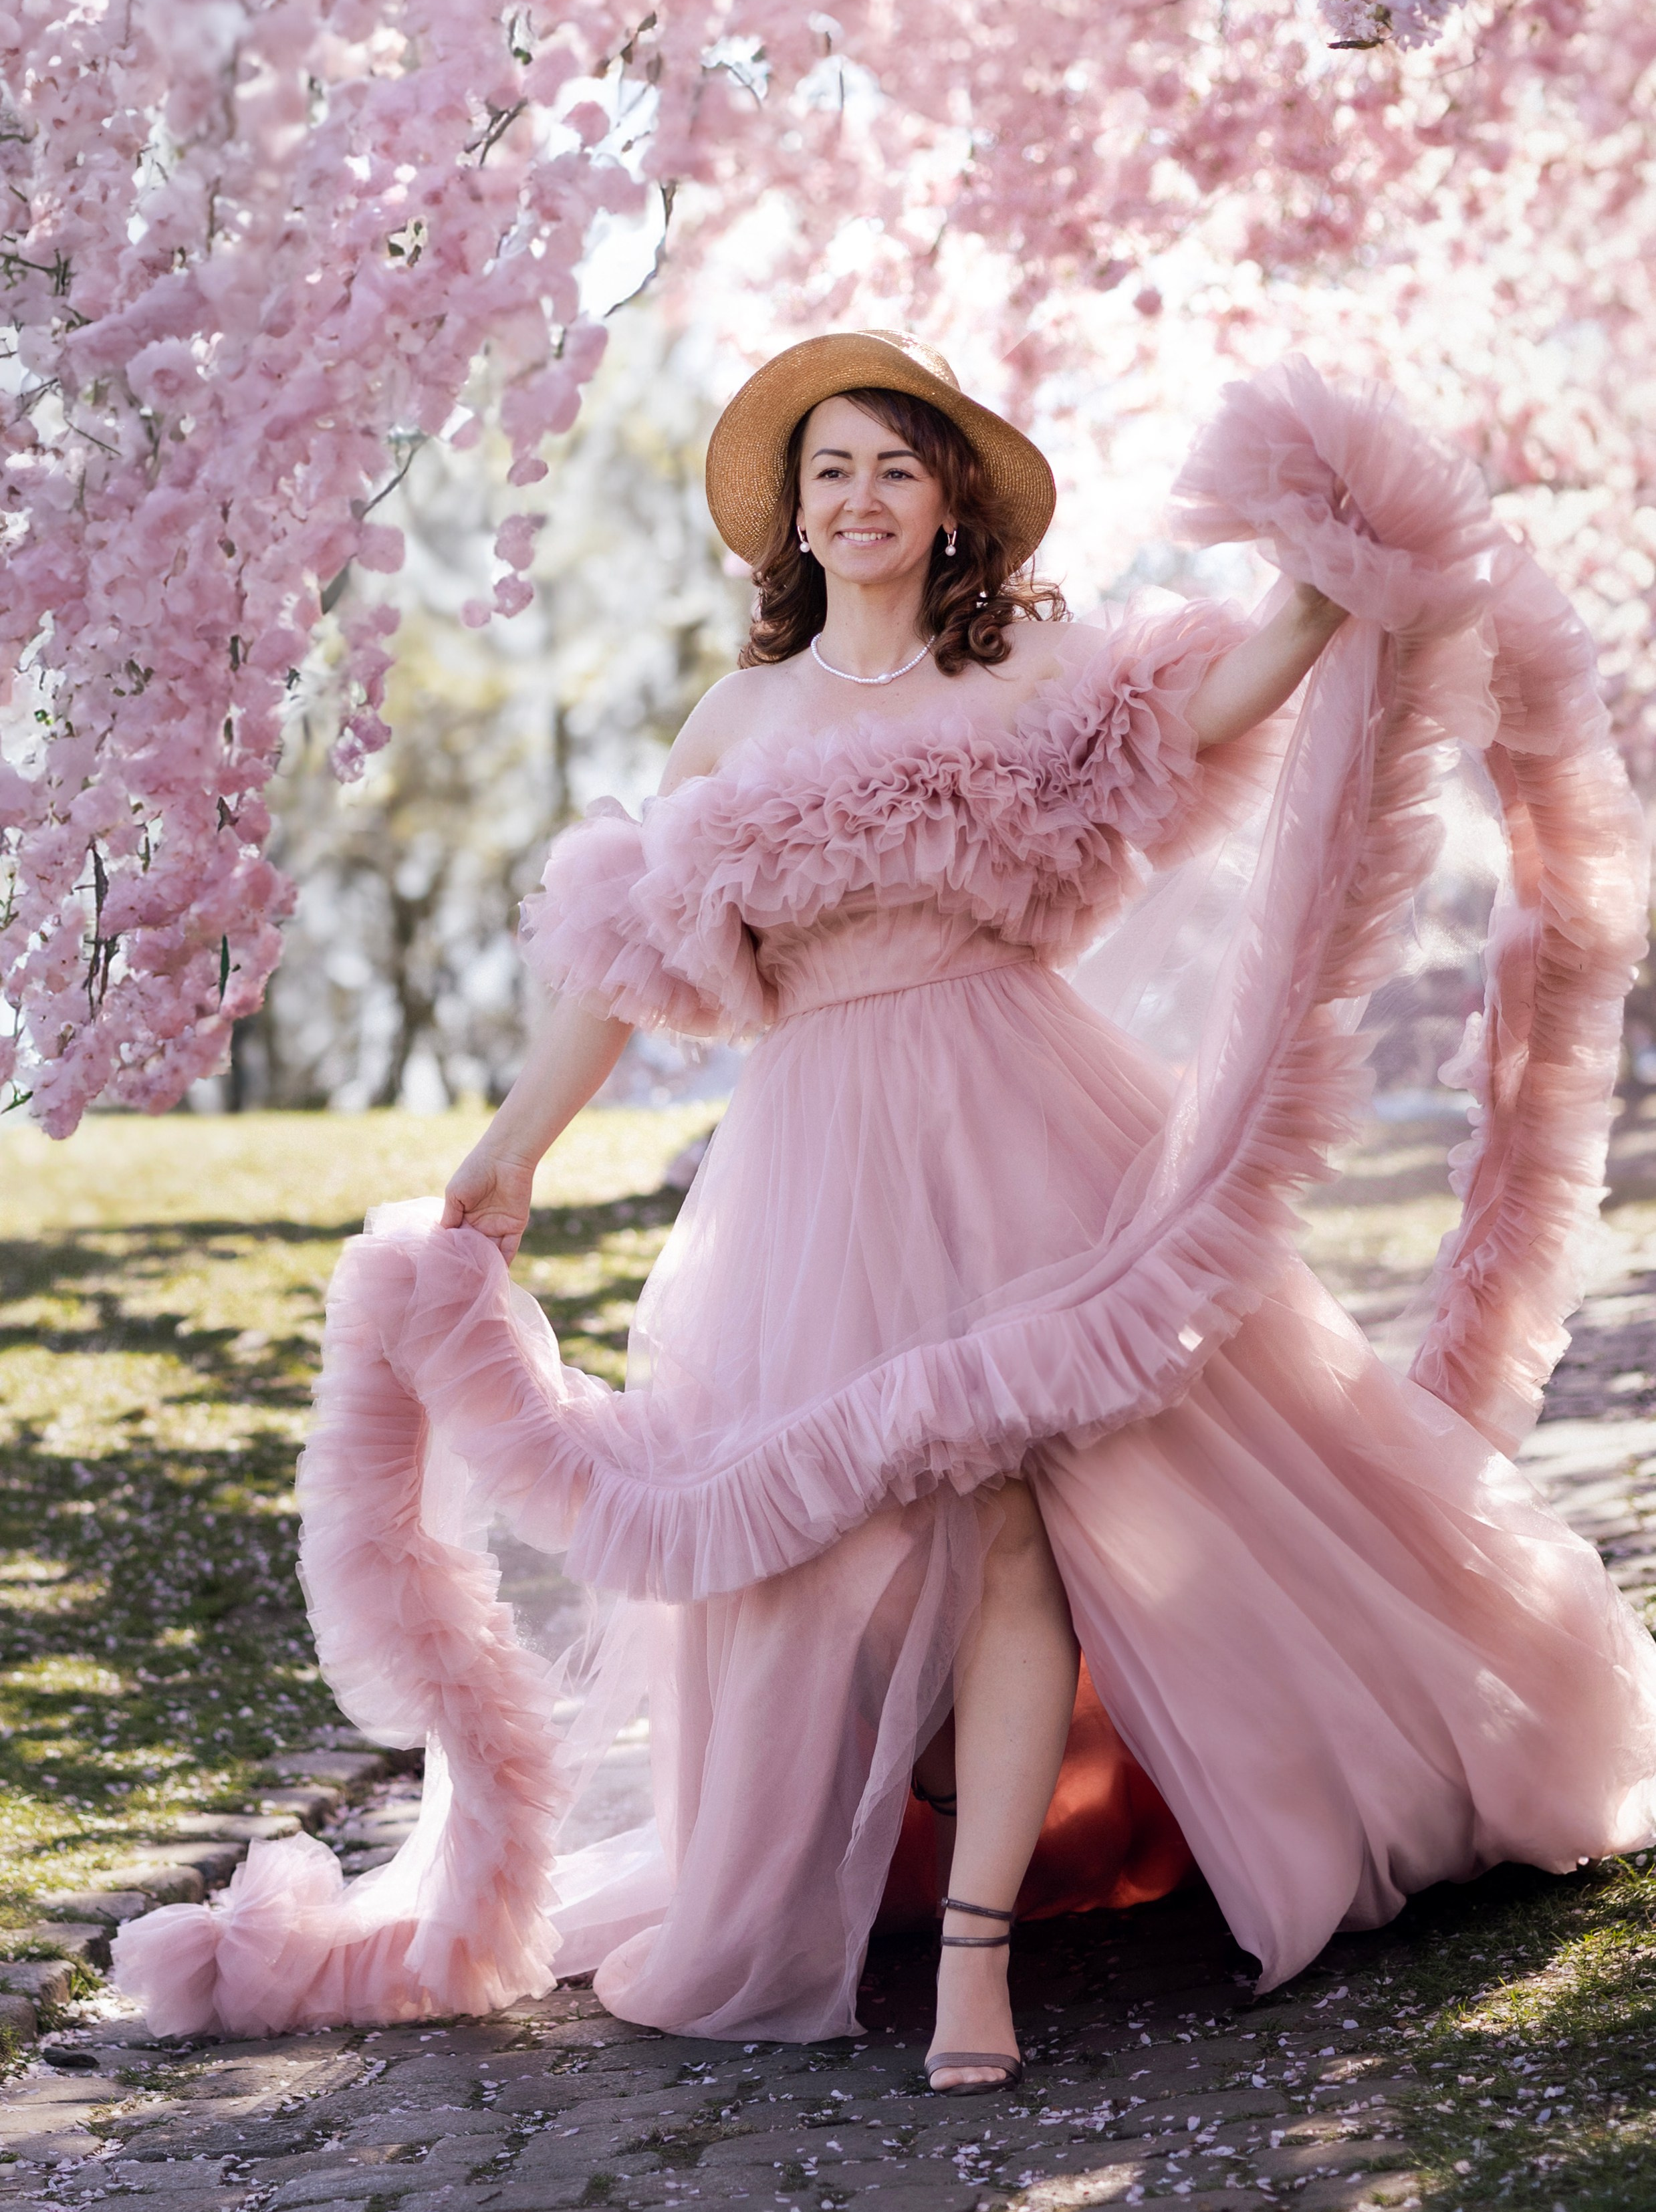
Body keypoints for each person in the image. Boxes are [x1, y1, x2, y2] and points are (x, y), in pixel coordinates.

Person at [113, 336, 1656, 2090]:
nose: (859, 498)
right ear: (795, 511)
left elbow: (1202, 717)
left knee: (1013, 1521)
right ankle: (908, 1845)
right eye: (830, 469)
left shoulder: (1023, 671)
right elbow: (614, 972)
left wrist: (1330, 584)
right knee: (850, 1546)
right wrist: (519, 1142)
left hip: (1021, 1123)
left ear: (949, 511)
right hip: (822, 1167)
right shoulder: (737, 717)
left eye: (895, 470)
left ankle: (978, 1954)